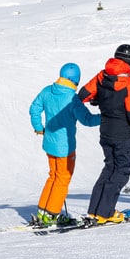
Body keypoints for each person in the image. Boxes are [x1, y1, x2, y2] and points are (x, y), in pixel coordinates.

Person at [79, 43, 130, 224]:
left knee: (109, 169)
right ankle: (105, 212)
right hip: (123, 136)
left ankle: (94, 211)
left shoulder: (102, 77)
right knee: (122, 171)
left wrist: (96, 98)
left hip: (105, 133)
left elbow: (82, 95)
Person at [27, 63, 100, 227]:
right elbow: (87, 120)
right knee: (62, 179)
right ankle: (52, 215)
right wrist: (105, 118)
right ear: (76, 80)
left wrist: (39, 128)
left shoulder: (47, 91)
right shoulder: (72, 99)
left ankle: (43, 212)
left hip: (49, 144)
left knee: (53, 176)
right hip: (65, 148)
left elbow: (34, 108)